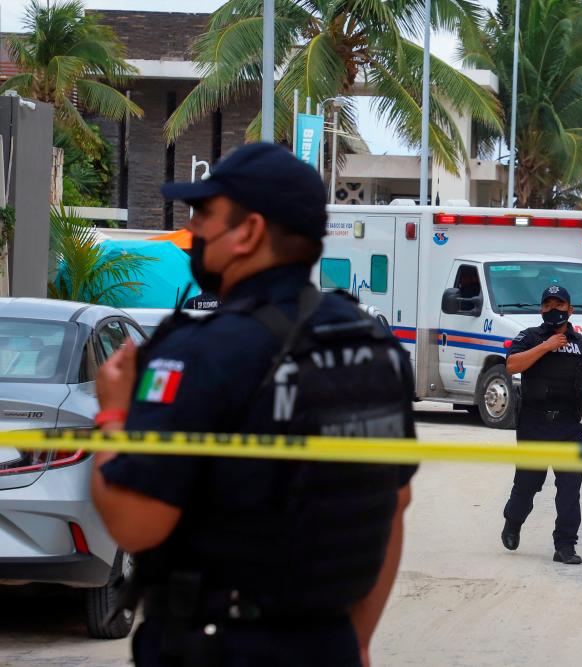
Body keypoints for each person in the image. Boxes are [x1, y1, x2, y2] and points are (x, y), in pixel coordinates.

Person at [89, 142, 416, 667]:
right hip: (327, 645)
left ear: (249, 231)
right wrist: (355, 640)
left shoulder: (202, 352)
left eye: (204, 213)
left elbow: (134, 523)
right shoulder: (373, 346)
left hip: (216, 646)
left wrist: (112, 413)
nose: (193, 229)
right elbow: (392, 508)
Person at [500, 284, 582, 565]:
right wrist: (546, 346)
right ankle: (513, 521)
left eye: (558, 305)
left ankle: (565, 546)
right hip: (534, 426)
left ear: (570, 310)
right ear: (541, 310)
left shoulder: (581, 344)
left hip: (568, 428)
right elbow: (512, 365)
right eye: (547, 305)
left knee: (570, 490)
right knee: (527, 487)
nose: (553, 310)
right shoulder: (529, 337)